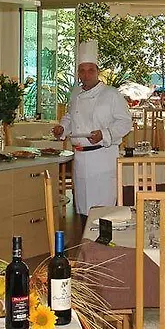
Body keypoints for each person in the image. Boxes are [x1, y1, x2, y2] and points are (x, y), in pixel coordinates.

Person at [52, 40, 132, 224]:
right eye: (82, 70)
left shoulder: (111, 94)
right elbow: (71, 117)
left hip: (102, 158)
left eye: (90, 70)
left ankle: (104, 242)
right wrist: (62, 128)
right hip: (80, 159)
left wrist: (104, 134)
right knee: (83, 210)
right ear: (78, 73)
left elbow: (125, 123)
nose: (86, 75)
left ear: (97, 71)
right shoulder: (75, 93)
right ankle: (85, 240)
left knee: (103, 212)